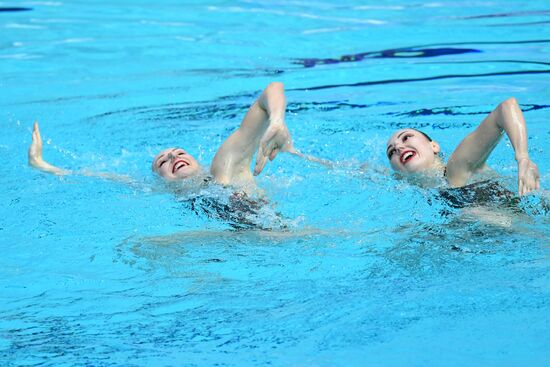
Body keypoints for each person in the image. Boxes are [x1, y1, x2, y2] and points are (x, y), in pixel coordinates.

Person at [28, 82, 312, 229]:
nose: (172, 157)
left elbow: (272, 90)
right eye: (162, 161)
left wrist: (276, 120)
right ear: (161, 180)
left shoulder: (223, 169)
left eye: (179, 152)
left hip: (278, 234)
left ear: (198, 162)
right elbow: (98, 177)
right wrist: (43, 165)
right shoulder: (157, 191)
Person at [385, 97, 540, 197]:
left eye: (406, 138)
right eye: (391, 152)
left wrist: (523, 157)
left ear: (434, 146)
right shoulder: (425, 187)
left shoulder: (457, 166)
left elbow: (506, 107)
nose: (398, 147)